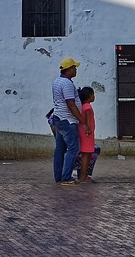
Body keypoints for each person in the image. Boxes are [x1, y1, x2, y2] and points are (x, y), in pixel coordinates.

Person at [51, 57, 86, 185]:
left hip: (58, 118)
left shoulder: (57, 81)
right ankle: (66, 177)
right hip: (68, 120)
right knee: (73, 148)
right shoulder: (67, 84)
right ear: (69, 69)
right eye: (74, 68)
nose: (76, 70)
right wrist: (82, 120)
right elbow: (71, 104)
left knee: (60, 149)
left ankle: (58, 176)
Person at [77, 86, 98, 183]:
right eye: (93, 94)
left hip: (83, 132)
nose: (94, 96)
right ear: (89, 96)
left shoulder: (82, 106)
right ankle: (84, 176)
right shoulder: (88, 107)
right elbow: (88, 121)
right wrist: (89, 130)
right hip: (87, 133)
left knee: (86, 154)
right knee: (86, 154)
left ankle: (83, 175)